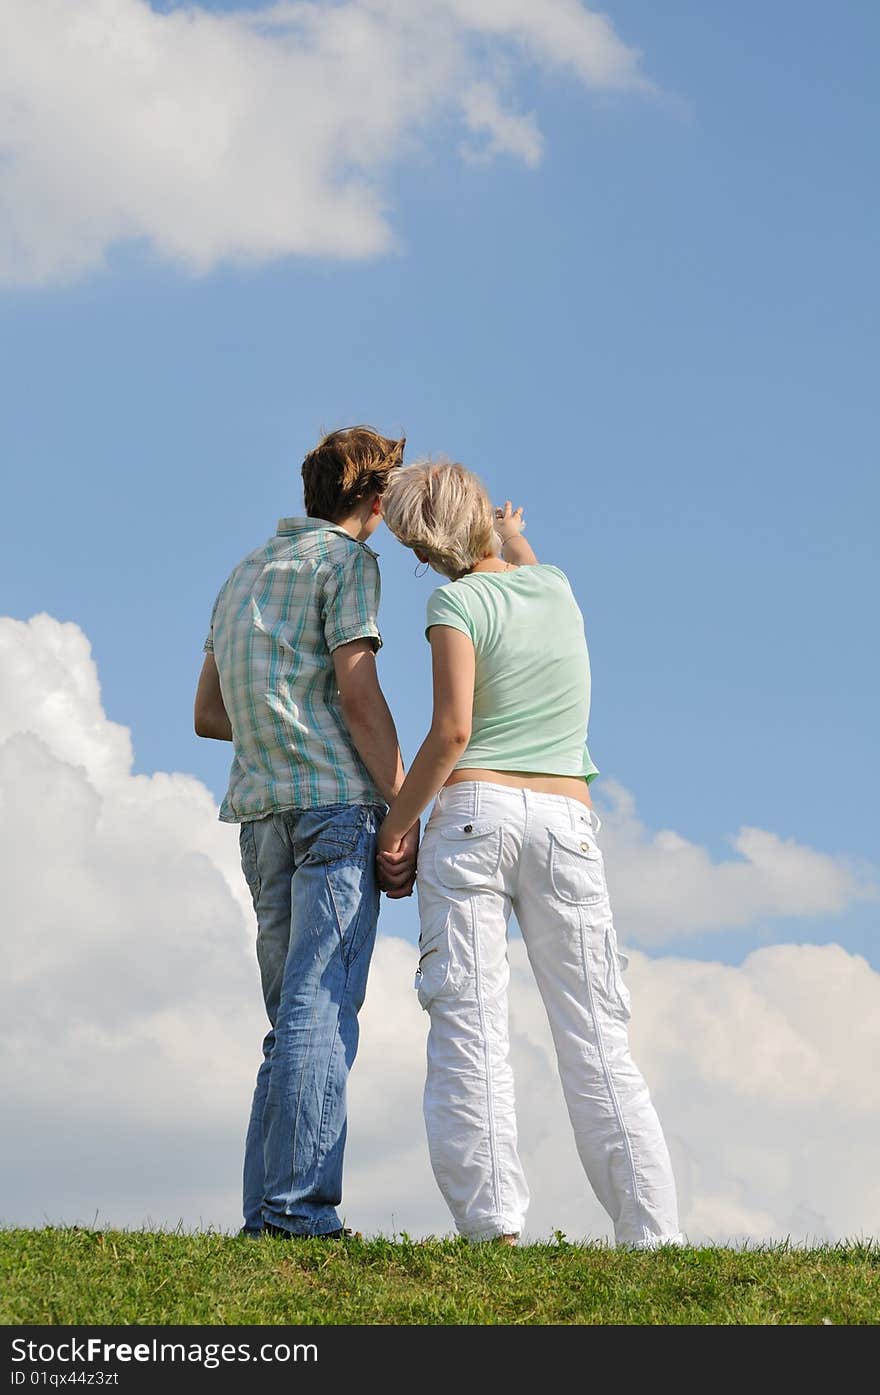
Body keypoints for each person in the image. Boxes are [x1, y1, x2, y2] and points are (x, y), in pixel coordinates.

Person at [377, 461, 683, 1247]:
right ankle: (652, 1236)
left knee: (471, 1026)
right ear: (484, 517)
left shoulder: (454, 602)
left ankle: (493, 1230)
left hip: (475, 814)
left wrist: (396, 827)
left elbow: (451, 733)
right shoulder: (557, 590)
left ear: (424, 546)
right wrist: (513, 532)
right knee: (596, 1035)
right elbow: (529, 568)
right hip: (567, 822)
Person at [194, 426, 418, 1239]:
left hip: (260, 819)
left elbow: (208, 713)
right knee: (320, 1010)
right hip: (333, 809)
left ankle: (268, 1213)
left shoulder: (241, 573)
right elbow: (359, 699)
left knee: (291, 1017)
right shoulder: (348, 565)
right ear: (377, 497)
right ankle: (299, 1214)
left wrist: (278, 721)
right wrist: (403, 805)